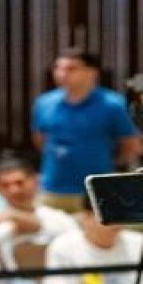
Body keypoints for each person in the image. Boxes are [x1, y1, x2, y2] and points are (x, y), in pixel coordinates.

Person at [32, 47, 141, 212]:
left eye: (71, 69)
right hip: (53, 187)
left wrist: (109, 163)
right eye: (58, 68)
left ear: (92, 72)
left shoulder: (112, 104)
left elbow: (130, 145)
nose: (62, 73)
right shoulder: (44, 102)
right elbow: (40, 139)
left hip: (96, 189)